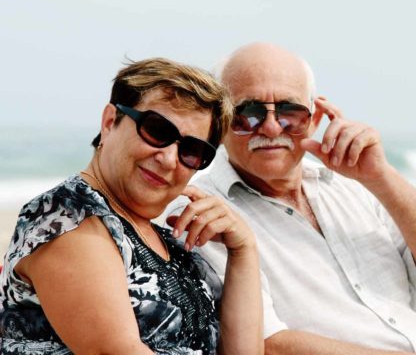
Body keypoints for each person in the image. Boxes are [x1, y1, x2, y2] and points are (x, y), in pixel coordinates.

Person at [165, 43, 416, 354]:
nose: (273, 127)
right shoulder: (203, 211)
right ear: (219, 123)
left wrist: (382, 177)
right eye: (248, 114)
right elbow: (264, 344)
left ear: (315, 119)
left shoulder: (355, 189)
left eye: (291, 113)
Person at [0, 58, 263, 354]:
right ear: (110, 122)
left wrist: (244, 250)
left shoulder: (166, 240)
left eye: (191, 150)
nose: (168, 158)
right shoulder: (67, 218)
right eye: (156, 131)